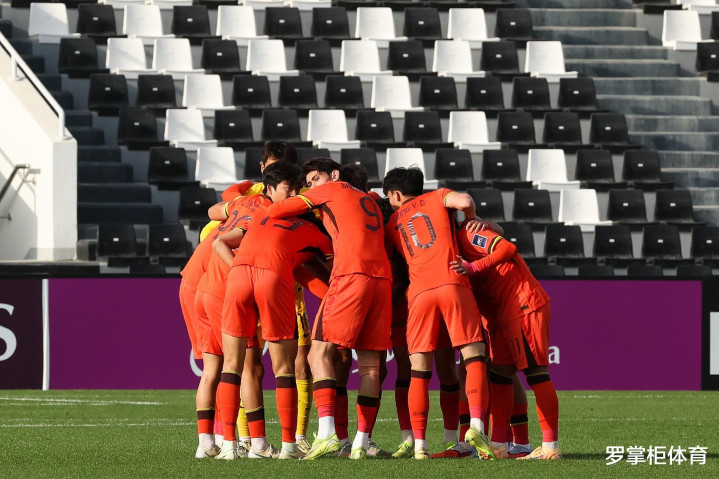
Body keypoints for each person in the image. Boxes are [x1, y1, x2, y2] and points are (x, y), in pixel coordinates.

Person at [266, 158, 392, 460]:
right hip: (382, 280)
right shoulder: (370, 201)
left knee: (317, 353)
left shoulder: (332, 189)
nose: (312, 187)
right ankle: (361, 442)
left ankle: (326, 435)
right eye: (308, 183)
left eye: (315, 179)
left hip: (351, 275)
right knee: (371, 366)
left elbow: (276, 210)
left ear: (334, 175)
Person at [215, 162, 332, 460]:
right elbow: (332, 266)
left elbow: (218, 234)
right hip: (272, 278)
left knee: (232, 365)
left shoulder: (260, 216)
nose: (293, 194)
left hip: (238, 274)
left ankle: (229, 446)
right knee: (284, 369)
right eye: (289, 189)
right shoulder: (309, 229)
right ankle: (289, 446)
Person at [383, 166, 493, 460]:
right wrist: (471, 219)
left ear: (396, 194)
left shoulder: (393, 221)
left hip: (419, 293)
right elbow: (465, 200)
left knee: (418, 370)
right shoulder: (439, 196)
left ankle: (420, 445)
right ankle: (477, 426)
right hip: (452, 282)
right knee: (473, 356)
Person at [450, 225, 560, 460]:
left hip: (523, 304)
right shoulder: (450, 250)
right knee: (500, 376)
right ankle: (499, 446)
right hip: (501, 316)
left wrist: (474, 266)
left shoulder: (468, 234)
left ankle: (551, 447)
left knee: (536, 374)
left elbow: (507, 248)